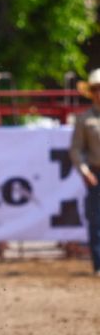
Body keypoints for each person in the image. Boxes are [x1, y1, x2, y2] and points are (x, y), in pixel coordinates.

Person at [70, 68, 100, 275]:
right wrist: (84, 171)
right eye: (96, 89)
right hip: (96, 174)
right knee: (96, 219)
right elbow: (76, 149)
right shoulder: (84, 119)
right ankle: (99, 264)